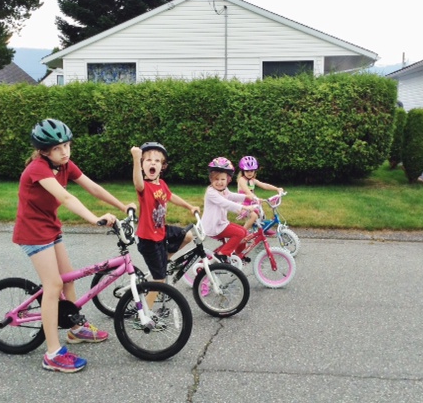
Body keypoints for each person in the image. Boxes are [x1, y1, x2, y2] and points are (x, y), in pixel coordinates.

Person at [13, 118, 135, 373]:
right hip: (33, 232)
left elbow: (92, 187)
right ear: (44, 151)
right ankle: (53, 354)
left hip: (50, 228)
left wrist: (122, 206)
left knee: (67, 278)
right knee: (54, 284)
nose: (65, 152)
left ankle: (76, 328)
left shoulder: (65, 165)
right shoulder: (38, 169)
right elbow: (66, 197)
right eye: (58, 148)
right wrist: (94, 218)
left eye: (67, 145)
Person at [131, 142, 200, 308]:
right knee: (159, 280)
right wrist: (136, 158)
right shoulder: (144, 187)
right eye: (147, 160)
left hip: (161, 231)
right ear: (142, 165)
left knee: (188, 235)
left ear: (162, 166)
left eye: (157, 160)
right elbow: (138, 183)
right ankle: (146, 313)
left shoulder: (161, 184)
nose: (152, 163)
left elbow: (171, 196)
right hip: (148, 239)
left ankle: (164, 260)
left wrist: (190, 206)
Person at [202, 157, 257, 259]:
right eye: (216, 179)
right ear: (211, 179)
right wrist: (245, 207)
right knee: (239, 233)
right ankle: (222, 254)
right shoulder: (211, 192)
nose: (219, 182)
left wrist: (246, 196)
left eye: (222, 179)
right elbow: (226, 203)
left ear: (228, 180)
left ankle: (238, 255)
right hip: (214, 226)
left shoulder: (223, 190)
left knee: (244, 232)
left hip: (221, 223)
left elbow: (231, 196)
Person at [236, 155, 284, 231]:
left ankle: (263, 230)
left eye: (252, 171)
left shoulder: (253, 180)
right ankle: (242, 233)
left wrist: (277, 189)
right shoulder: (242, 180)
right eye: (247, 171)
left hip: (252, 203)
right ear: (242, 171)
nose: (249, 173)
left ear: (255, 171)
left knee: (262, 215)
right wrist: (256, 198)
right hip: (243, 205)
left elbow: (264, 185)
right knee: (254, 216)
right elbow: (248, 192)